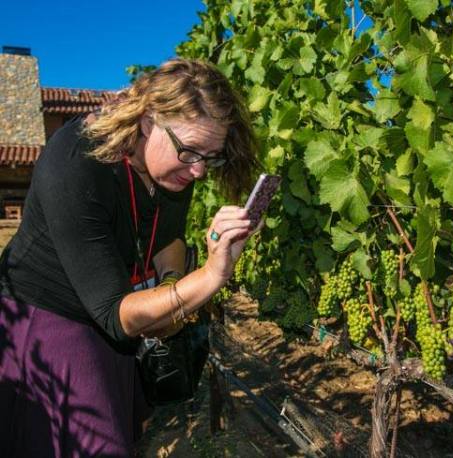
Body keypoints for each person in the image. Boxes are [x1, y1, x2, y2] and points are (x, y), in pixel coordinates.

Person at [0, 58, 259, 457]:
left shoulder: (177, 166)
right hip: (50, 320)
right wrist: (211, 275)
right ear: (147, 121)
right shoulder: (78, 161)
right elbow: (117, 315)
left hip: (116, 315)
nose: (199, 172)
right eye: (191, 152)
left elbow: (169, 239)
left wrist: (170, 286)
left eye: (211, 157)